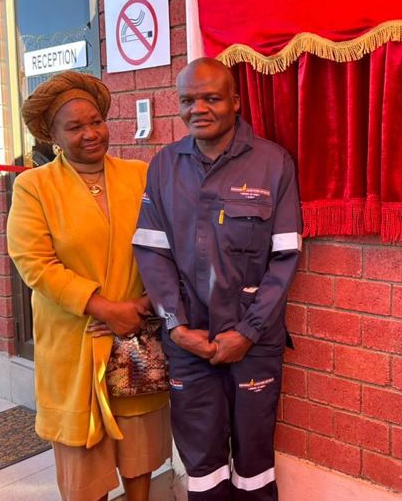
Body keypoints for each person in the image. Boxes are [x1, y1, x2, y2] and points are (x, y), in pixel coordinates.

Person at [132, 57, 302, 501]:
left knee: (254, 460)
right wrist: (176, 326)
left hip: (253, 343)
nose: (199, 109)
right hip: (188, 342)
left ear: (236, 101)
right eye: (188, 100)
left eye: (211, 98)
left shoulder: (273, 163)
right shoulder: (164, 166)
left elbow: (285, 258)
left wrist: (247, 332)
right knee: (202, 462)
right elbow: (152, 252)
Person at [6, 72, 171, 501]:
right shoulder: (34, 187)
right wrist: (104, 308)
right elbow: (35, 263)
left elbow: (168, 244)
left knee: (139, 448)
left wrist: (145, 304)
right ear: (53, 136)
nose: (91, 133)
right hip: (75, 340)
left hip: (135, 337)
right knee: (83, 460)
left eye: (96, 121)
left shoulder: (140, 175)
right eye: (75, 127)